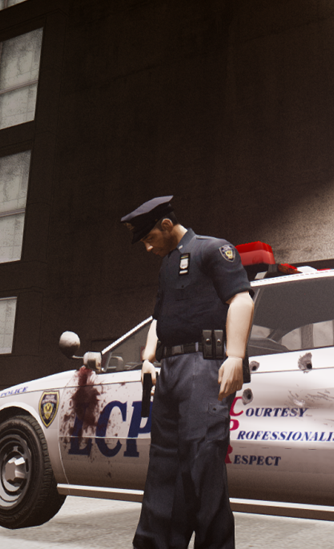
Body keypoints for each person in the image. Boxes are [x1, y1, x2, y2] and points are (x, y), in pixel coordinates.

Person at [121, 196, 254, 549]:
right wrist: (149, 358)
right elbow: (159, 317)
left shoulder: (213, 250)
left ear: (167, 225)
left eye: (150, 238)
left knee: (203, 462)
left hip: (203, 364)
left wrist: (235, 355)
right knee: (163, 466)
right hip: (171, 371)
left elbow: (241, 299)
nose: (148, 247)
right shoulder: (167, 264)